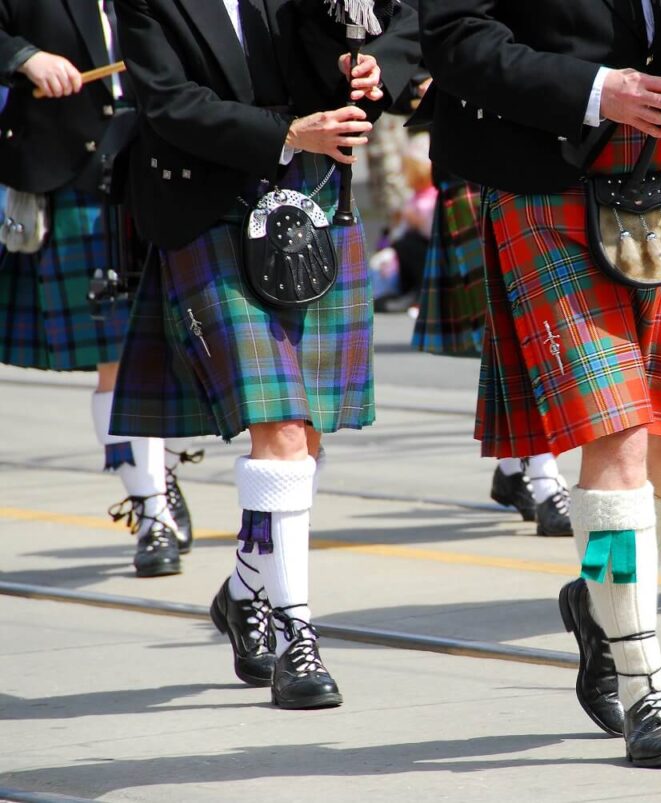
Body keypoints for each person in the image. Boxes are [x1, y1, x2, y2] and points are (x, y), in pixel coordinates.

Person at [421, 0, 661, 767]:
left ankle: (602, 603)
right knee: (617, 433)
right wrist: (596, 88)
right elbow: (454, 35)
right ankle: (647, 686)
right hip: (544, 175)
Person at [110, 0, 419, 709]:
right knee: (279, 430)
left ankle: (246, 587)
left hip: (311, 202)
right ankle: (295, 638)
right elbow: (168, 101)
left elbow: (415, 22)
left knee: (302, 440)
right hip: (210, 210)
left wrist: (372, 64)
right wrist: (286, 133)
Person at [0, 0, 199, 578]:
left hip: (161, 173)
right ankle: (153, 511)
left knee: (169, 352)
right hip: (75, 177)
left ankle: (153, 473)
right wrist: (24, 56)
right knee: (117, 356)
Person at [412, 165, 574, 537]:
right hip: (477, 177)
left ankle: (512, 472)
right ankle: (546, 485)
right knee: (522, 337)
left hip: (538, 176)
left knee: (519, 338)